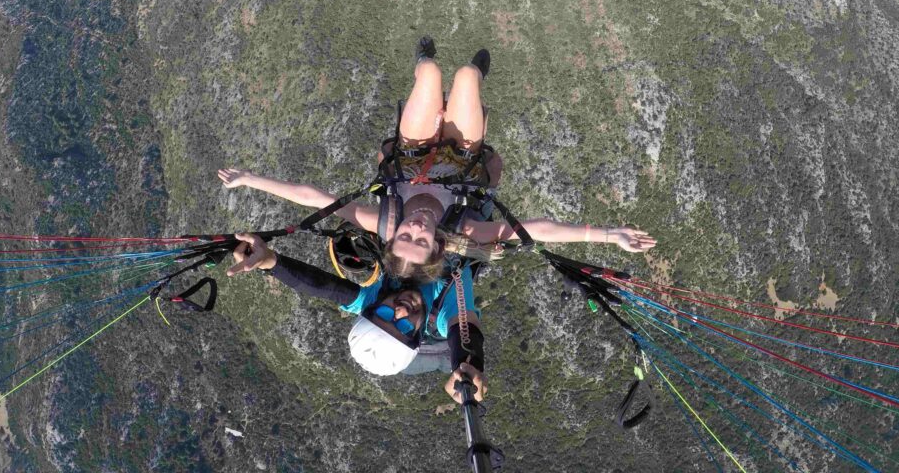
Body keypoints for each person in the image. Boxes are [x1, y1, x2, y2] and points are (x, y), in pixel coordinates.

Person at [219, 37, 656, 281]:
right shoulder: (461, 227)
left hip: (412, 153)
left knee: (430, 75)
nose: (415, 228)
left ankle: (423, 61)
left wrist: (250, 179)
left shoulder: (385, 219)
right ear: (437, 245)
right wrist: (607, 234)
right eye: (423, 241)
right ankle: (474, 76)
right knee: (465, 76)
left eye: (405, 236)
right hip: (463, 158)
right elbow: (534, 231)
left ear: (394, 238)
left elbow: (314, 199)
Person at [226, 232, 486, 403]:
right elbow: (462, 328)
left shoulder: (372, 300)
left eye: (385, 314)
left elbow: (322, 286)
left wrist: (270, 261)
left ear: (372, 310)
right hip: (463, 235)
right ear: (417, 336)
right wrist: (468, 364)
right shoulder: (443, 314)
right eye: (404, 326)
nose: (401, 311)